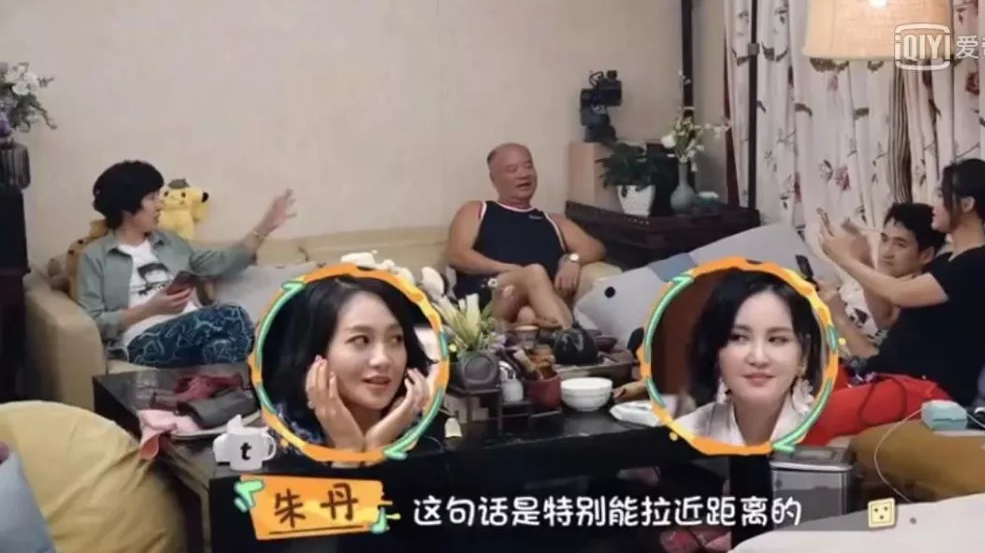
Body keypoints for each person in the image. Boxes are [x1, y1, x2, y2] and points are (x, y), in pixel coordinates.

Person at [805, 158, 985, 444]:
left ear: (966, 204)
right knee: (789, 392)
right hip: (884, 375)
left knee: (811, 420)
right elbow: (888, 317)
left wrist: (844, 258)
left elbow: (898, 293)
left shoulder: (983, 264)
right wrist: (863, 259)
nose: (934, 204)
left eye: (940, 194)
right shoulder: (947, 262)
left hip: (926, 391)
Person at [77, 160, 294, 367]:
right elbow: (94, 323)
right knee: (233, 314)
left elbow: (223, 262)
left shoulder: (169, 242)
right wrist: (150, 309)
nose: (160, 205)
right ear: (127, 207)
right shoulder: (94, 257)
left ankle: (230, 390)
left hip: (194, 330)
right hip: (141, 341)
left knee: (220, 349)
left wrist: (265, 227)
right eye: (152, 198)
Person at [263, 275, 438, 452]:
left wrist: (379, 443)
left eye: (395, 339)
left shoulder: (426, 430)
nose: (383, 359)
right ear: (317, 351)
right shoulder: (280, 437)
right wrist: (348, 447)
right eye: (361, 340)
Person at [446, 142, 606, 329]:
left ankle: (554, 338)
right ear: (494, 179)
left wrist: (572, 260)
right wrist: (511, 271)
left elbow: (596, 248)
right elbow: (457, 255)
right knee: (533, 274)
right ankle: (572, 339)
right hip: (488, 301)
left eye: (528, 166)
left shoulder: (553, 221)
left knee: (527, 314)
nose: (523, 174)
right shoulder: (478, 210)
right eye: (512, 170)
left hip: (530, 307)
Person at [676, 269, 824, 446]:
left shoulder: (826, 438)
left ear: (804, 354)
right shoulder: (683, 435)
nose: (758, 358)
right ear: (714, 349)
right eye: (739, 338)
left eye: (777, 339)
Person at [819, 202, 946, 360]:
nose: (886, 252)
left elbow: (878, 363)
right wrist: (864, 260)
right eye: (884, 240)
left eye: (900, 245)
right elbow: (885, 320)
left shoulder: (926, 300)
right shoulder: (908, 286)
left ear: (926, 255)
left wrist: (839, 316)